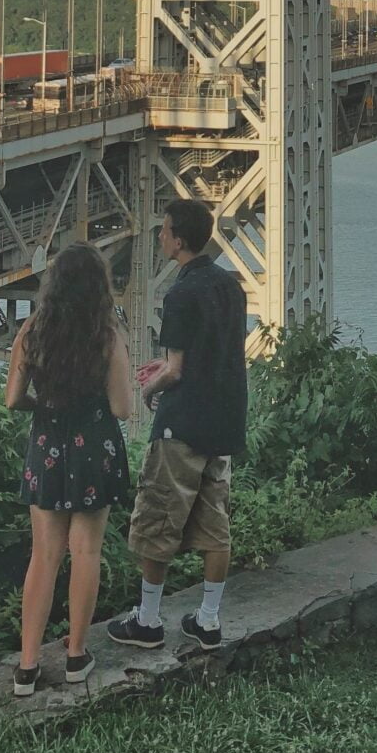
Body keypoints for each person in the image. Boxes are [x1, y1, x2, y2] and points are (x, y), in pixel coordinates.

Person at [107, 198, 247, 653]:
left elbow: (177, 369)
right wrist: (166, 368)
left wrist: (151, 388)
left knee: (158, 518)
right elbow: (213, 353)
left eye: (164, 230)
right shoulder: (231, 287)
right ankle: (208, 620)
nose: (160, 236)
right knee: (215, 524)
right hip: (223, 422)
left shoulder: (179, 294)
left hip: (182, 425)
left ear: (179, 240)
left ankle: (148, 621)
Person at [5, 242, 133, 697]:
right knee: (86, 552)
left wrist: (44, 407)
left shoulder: (33, 331)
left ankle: (27, 666)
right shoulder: (106, 335)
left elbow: (12, 399)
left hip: (47, 449)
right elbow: (122, 407)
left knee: (44, 556)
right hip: (94, 449)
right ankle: (77, 655)